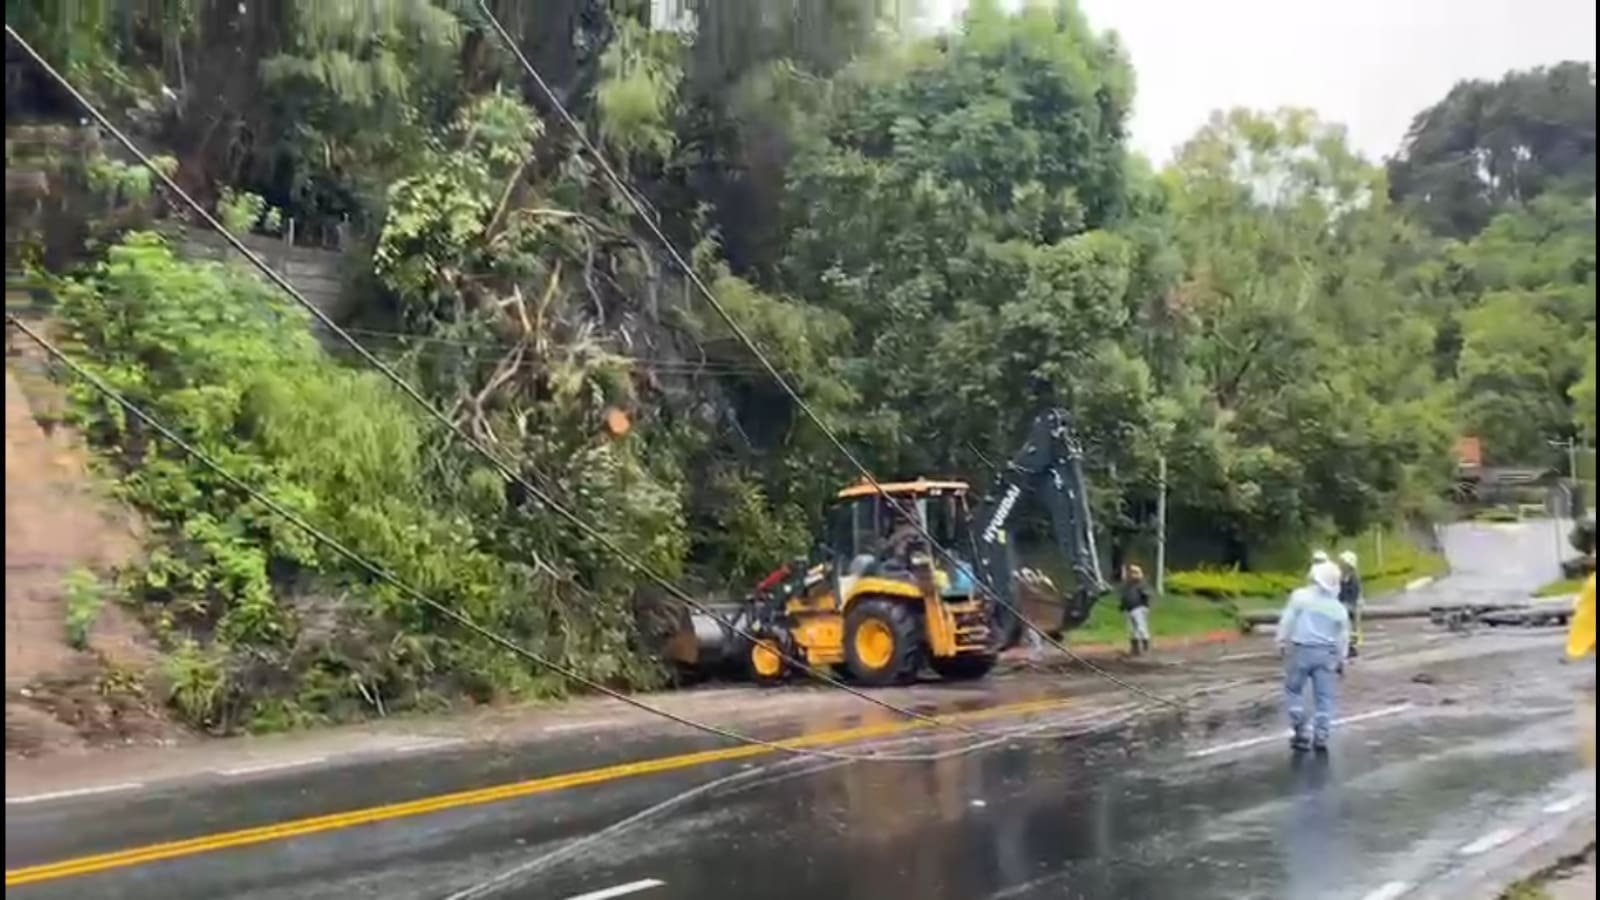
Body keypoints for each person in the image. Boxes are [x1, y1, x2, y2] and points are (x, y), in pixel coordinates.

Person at [1275, 559, 1351, 752]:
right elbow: (1343, 638)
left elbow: (1287, 621)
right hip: (1327, 655)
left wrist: (1281, 641)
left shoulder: (1300, 597)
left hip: (1301, 651)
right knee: (1324, 697)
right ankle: (1321, 735)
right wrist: (1342, 660)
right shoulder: (1338, 608)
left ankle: (1300, 728)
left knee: (1293, 690)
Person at [1119, 564, 1153, 656]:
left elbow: (1147, 595)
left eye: (1134, 572)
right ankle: (1135, 649)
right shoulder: (1127, 585)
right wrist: (1122, 605)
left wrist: (1145, 604)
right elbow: (1125, 597)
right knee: (1132, 630)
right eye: (1130, 572)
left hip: (1139, 608)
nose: (1131, 574)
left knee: (1141, 628)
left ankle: (1145, 647)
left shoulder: (1141, 584)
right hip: (1129, 609)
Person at [1337, 550, 1363, 658]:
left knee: (1352, 626)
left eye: (1344, 565)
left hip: (1351, 606)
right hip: (1343, 606)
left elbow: (1353, 596)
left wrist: (1346, 606)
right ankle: (1346, 645)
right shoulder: (1342, 578)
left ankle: (1352, 646)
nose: (1342, 567)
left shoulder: (1354, 579)